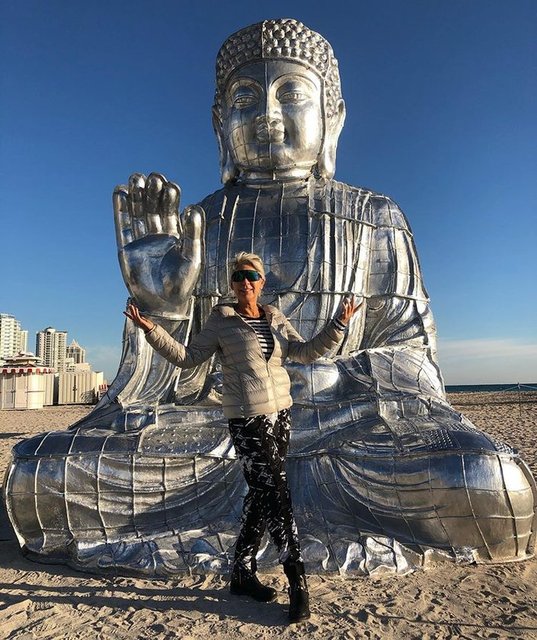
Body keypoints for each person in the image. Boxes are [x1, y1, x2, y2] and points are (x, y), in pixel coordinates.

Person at [5, 19, 535, 585]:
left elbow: (413, 358)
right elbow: (173, 377)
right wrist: (161, 306)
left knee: (484, 478)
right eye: (245, 99)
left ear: (333, 117)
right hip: (220, 425)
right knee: (42, 474)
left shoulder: (375, 217)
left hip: (344, 427)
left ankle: (262, 543)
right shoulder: (199, 224)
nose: (267, 115)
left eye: (290, 94)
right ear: (219, 123)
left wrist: (330, 380)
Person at [125, 251, 359, 622]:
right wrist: (151, 329)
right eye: (238, 277)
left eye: (251, 276)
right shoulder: (222, 319)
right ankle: (297, 580)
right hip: (247, 418)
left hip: (281, 415)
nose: (245, 282)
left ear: (262, 282)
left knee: (261, 494)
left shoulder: (275, 317)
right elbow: (187, 357)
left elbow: (304, 352)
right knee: (277, 493)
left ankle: (241, 573)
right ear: (232, 285)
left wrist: (338, 324)